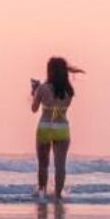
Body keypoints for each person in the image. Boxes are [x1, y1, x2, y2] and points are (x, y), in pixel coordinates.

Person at [31, 57, 84, 200]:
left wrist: (34, 91)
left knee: (43, 164)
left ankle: (42, 193)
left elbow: (34, 109)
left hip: (45, 127)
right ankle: (58, 195)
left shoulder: (43, 88)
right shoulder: (69, 91)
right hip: (61, 128)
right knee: (60, 165)